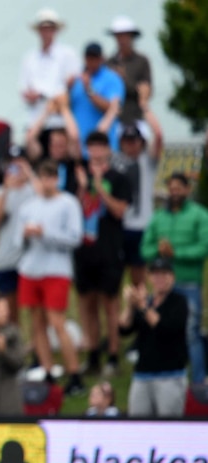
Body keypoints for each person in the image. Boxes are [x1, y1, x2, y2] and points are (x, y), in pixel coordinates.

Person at [14, 159, 84, 392]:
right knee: (36, 323)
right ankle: (48, 370)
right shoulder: (29, 206)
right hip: (30, 269)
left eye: (50, 178)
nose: (46, 183)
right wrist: (25, 234)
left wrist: (45, 233)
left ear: (57, 179)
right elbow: (16, 240)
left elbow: (74, 238)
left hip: (56, 269)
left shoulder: (68, 203)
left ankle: (74, 373)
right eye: (42, 178)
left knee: (57, 323)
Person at [74, 131, 132, 384]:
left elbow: (120, 211)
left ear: (108, 149)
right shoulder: (79, 177)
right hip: (83, 250)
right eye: (91, 146)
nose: (96, 152)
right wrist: (84, 187)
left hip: (108, 249)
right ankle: (93, 354)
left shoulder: (119, 178)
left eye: (100, 146)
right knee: (87, 305)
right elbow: (71, 208)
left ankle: (112, 356)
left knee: (110, 304)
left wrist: (100, 189)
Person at [141, 173, 208, 386]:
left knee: (190, 332)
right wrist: (158, 251)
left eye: (179, 187)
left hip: (188, 282)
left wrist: (175, 252)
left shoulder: (200, 215)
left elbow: (203, 248)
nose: (174, 191)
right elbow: (145, 248)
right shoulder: (159, 217)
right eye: (171, 187)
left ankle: (197, 383)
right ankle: (166, 374)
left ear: (188, 190)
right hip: (161, 286)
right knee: (158, 329)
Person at [119, 258, 189, 417]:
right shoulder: (147, 301)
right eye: (155, 274)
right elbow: (124, 329)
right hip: (142, 375)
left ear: (172, 277)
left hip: (170, 376)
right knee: (138, 427)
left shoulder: (179, 302)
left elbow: (165, 328)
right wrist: (130, 305)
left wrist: (142, 306)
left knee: (168, 428)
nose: (160, 279)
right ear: (149, 277)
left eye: (164, 274)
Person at [118, 105, 163, 287]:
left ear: (141, 142)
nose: (131, 145)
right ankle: (126, 313)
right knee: (116, 277)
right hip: (121, 224)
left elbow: (159, 135)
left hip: (142, 225)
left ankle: (141, 310)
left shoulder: (148, 160)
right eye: (127, 141)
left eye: (135, 140)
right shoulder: (117, 162)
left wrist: (145, 109)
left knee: (139, 275)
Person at [0, 152, 35, 321]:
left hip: (32, 259)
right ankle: (13, 342)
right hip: (6, 258)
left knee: (35, 308)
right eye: (12, 165)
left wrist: (30, 175)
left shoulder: (35, 189)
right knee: (9, 309)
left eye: (21, 165)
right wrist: (6, 190)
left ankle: (37, 343)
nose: (17, 170)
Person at [18, 8, 79, 127]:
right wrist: (30, 95)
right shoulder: (29, 58)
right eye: (43, 29)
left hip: (59, 120)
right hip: (34, 119)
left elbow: (70, 86)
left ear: (55, 30)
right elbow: (23, 88)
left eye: (50, 29)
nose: (46, 33)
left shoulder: (68, 55)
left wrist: (42, 95)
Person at [69, 42, 125, 155]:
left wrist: (89, 90)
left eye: (95, 58)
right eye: (89, 58)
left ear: (101, 59)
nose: (91, 62)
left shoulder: (112, 79)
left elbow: (112, 108)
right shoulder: (78, 80)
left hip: (104, 147)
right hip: (80, 149)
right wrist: (67, 88)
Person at [24, 95, 82, 194]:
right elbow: (30, 138)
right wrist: (47, 112)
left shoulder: (71, 161)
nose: (56, 149)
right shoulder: (42, 159)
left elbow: (74, 136)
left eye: (61, 146)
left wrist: (64, 109)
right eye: (53, 145)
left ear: (67, 147)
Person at [107, 16, 152, 125]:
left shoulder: (141, 62)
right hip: (113, 119)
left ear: (132, 37)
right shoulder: (109, 63)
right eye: (118, 36)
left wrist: (124, 80)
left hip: (135, 117)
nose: (122, 40)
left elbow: (146, 92)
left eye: (125, 36)